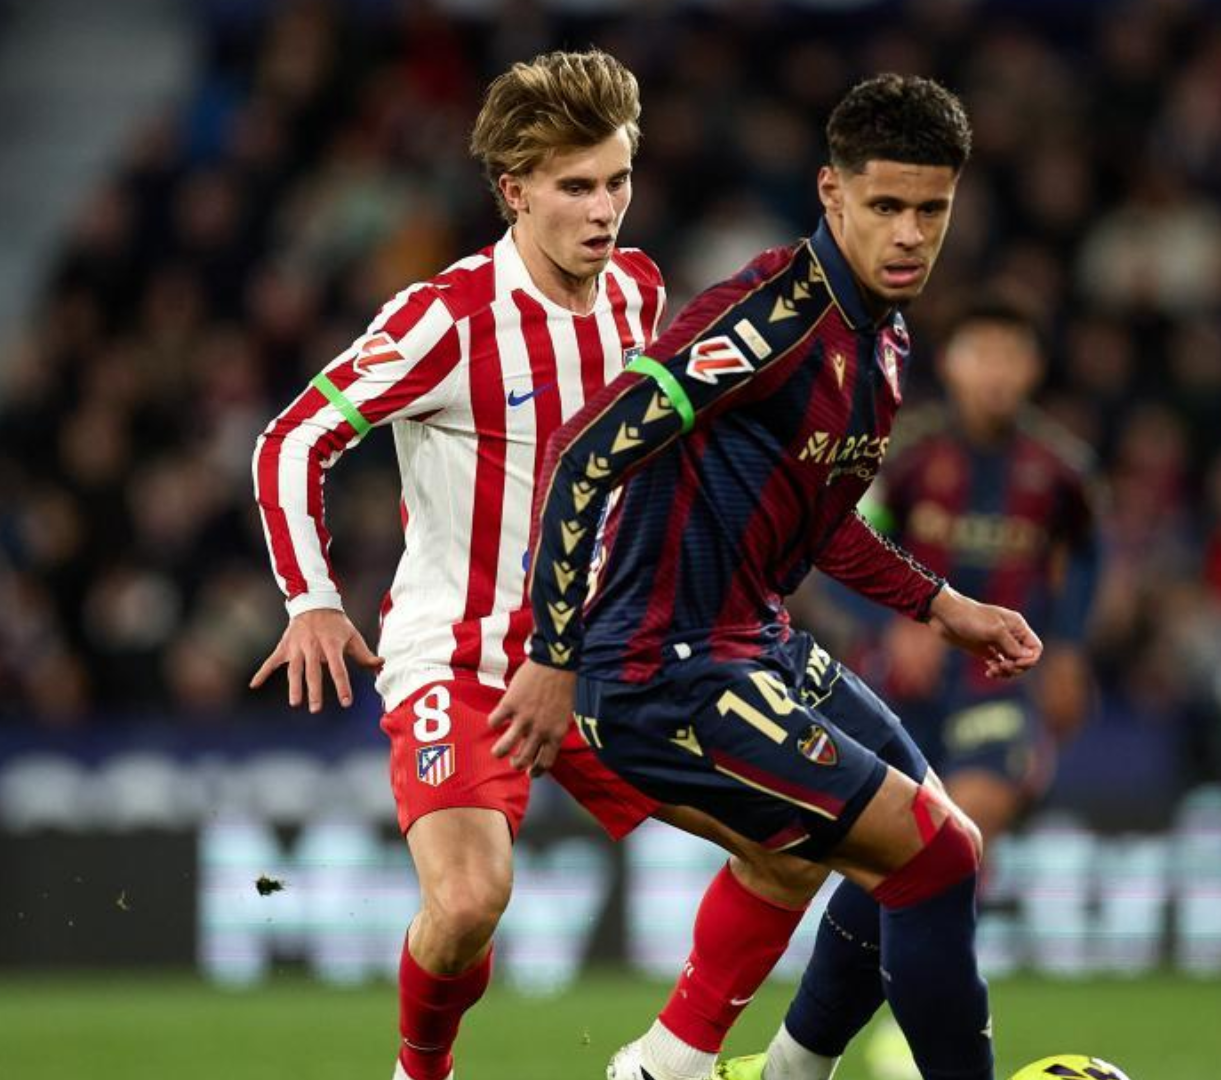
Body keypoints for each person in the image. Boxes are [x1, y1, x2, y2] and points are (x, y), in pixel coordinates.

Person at [249, 50, 837, 1080]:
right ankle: (418, 1073)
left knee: (794, 841)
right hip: (464, 658)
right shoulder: (447, 319)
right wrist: (310, 599)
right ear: (515, 191)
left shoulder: (639, 292)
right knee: (471, 901)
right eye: (576, 186)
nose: (604, 209)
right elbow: (292, 441)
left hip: (608, 654)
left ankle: (673, 1064)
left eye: (617, 180)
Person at [491, 74, 1041, 1080]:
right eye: (886, 206)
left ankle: (739, 1070)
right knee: (933, 857)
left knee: (928, 838)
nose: (911, 233)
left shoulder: (883, 338)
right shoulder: (766, 318)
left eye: (933, 208)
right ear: (831, 195)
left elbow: (823, 524)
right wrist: (550, 657)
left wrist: (944, 605)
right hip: (665, 668)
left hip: (759, 642)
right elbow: (585, 456)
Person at [844, 298, 1105, 1079]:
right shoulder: (905, 452)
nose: (995, 373)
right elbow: (841, 535)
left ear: (1032, 369)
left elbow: (1086, 558)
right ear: (950, 362)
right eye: (979, 354)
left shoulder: (1059, 468)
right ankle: (911, 999)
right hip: (908, 679)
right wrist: (888, 622)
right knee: (900, 847)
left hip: (1000, 679)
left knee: (968, 817)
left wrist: (1071, 650)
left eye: (1011, 356)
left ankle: (912, 1018)